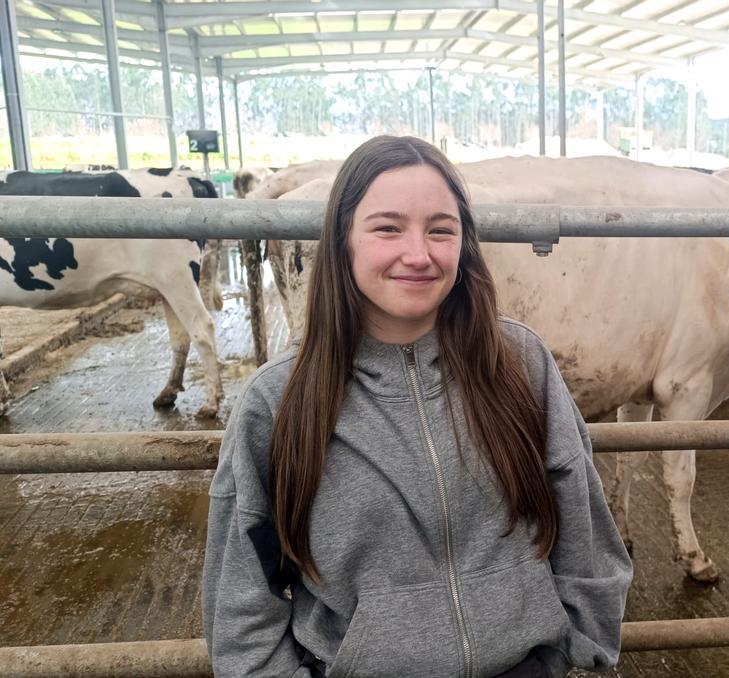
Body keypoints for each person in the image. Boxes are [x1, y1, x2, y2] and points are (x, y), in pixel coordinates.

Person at [203, 136, 633, 677]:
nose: (418, 254)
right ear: (342, 242)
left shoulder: (521, 362)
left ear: (464, 243)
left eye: (440, 229)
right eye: (387, 228)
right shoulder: (279, 399)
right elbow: (240, 596)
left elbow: (583, 522)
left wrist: (567, 649)